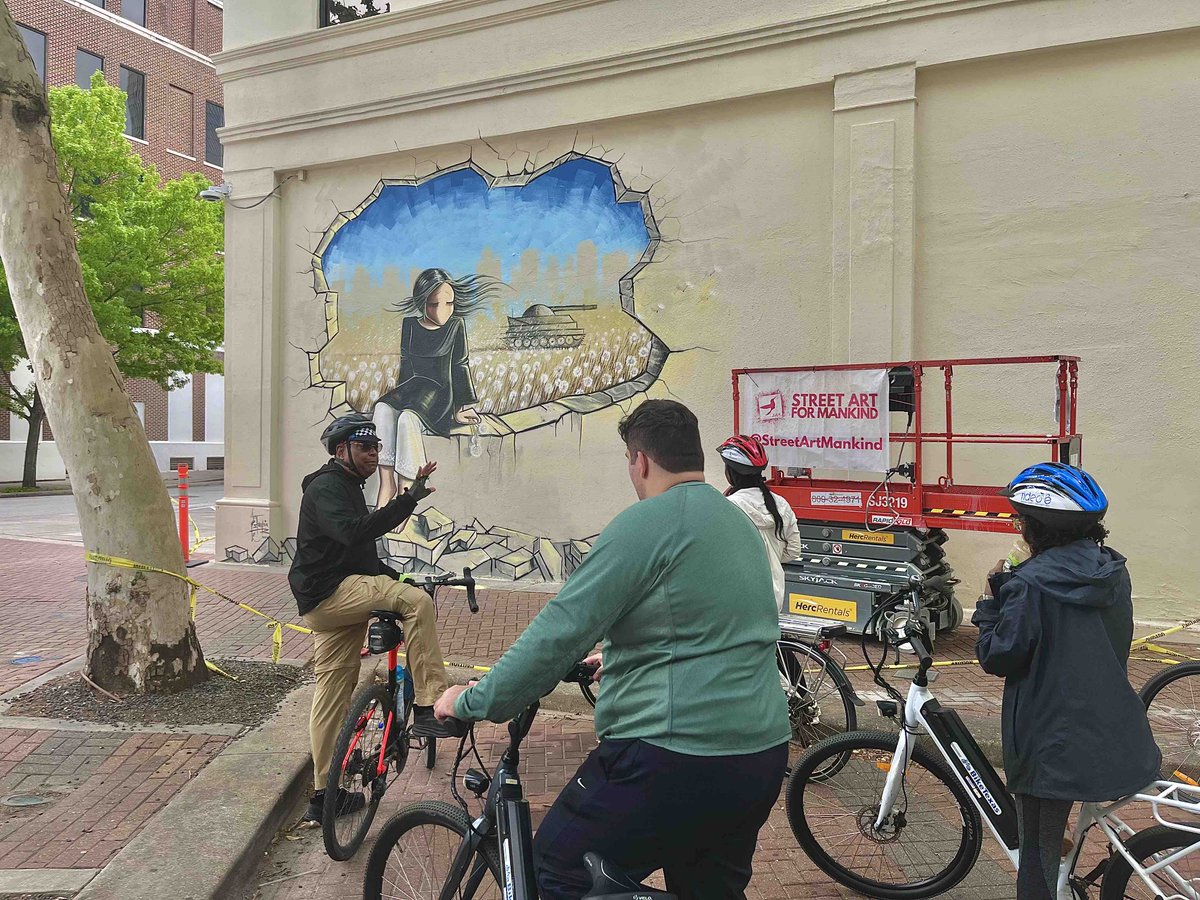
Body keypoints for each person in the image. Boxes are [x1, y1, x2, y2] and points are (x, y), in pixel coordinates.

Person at [433, 399, 790, 900]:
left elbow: (556, 635)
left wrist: (472, 700)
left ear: (638, 460)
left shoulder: (644, 524)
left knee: (557, 872)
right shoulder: (737, 526)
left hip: (672, 757)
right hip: (759, 756)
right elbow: (714, 624)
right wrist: (621, 655)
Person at [973, 462, 1160, 900]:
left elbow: (997, 656)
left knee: (1035, 867)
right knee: (1052, 848)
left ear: (1036, 527)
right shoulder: (1113, 569)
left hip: (1050, 745)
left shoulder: (1030, 584)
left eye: (1021, 520)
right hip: (1111, 729)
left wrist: (990, 600)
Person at [289, 413, 459, 826]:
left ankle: (323, 796)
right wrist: (409, 498)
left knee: (332, 693)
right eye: (366, 447)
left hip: (327, 599)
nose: (374, 454)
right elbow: (355, 533)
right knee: (416, 604)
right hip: (331, 593)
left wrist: (395, 576)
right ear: (341, 450)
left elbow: (362, 556)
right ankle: (427, 705)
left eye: (377, 447)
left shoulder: (345, 487)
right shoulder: (327, 487)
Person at [371, 268, 500, 508]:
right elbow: (406, 366)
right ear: (422, 303)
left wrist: (460, 408)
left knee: (408, 419)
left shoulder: (456, 326)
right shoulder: (409, 326)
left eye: (449, 303)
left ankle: (407, 490)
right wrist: (399, 399)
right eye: (433, 305)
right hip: (414, 388)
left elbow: (460, 366)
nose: (442, 311)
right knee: (382, 408)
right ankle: (386, 482)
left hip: (440, 394)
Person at [717, 434, 803, 612]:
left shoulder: (727, 507)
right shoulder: (781, 504)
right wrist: (771, 557)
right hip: (774, 598)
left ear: (730, 472)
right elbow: (794, 550)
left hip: (737, 599)